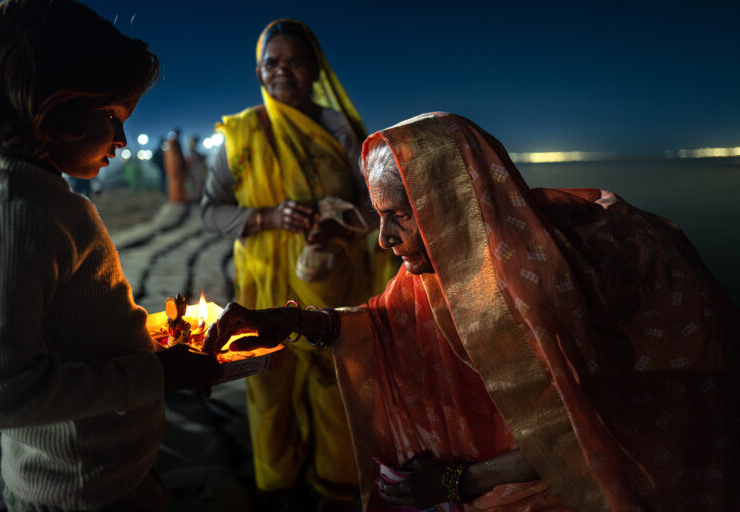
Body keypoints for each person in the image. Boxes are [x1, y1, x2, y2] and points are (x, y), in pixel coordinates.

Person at [204, 112, 739, 511]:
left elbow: (583, 430)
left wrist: (458, 481)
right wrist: (292, 320)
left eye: (399, 218)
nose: (385, 239)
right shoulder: (442, 264)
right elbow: (387, 327)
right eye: (378, 216)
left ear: (451, 205)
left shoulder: (542, 283)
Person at [0, 1, 219, 510]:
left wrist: (146, 335)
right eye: (112, 117)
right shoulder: (18, 212)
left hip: (102, 474)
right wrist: (158, 376)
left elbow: (66, 328)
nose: (122, 139)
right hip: (77, 493)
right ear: (52, 108)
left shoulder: (44, 202)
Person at [200, 18, 394, 511]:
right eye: (272, 63)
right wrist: (268, 216)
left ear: (314, 69)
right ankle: (276, 485)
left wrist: (341, 225)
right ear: (259, 71)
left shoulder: (339, 129)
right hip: (262, 283)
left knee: (334, 383)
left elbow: (375, 205)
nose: (282, 71)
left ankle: (335, 486)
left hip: (331, 281)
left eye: (294, 61)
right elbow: (211, 210)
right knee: (268, 384)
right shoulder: (240, 135)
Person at [163, 127, 189, 204]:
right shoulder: (172, 143)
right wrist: (178, 166)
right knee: (175, 183)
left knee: (179, 183)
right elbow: (173, 157)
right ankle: (176, 198)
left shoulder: (175, 143)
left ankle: (179, 197)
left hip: (177, 167)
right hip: (175, 168)